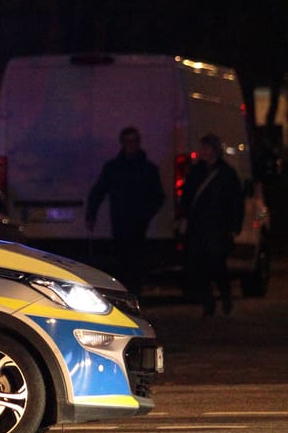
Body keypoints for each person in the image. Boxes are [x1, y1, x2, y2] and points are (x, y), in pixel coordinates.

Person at [85, 126, 164, 296]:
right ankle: (128, 294)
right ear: (123, 143)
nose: (132, 145)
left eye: (135, 141)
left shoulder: (147, 169)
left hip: (137, 223)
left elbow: (158, 196)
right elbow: (98, 191)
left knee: (134, 262)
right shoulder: (114, 168)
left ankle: (134, 294)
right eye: (129, 141)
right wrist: (91, 214)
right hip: (121, 222)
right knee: (123, 261)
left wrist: (145, 215)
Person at [179, 133, 244, 316]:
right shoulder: (196, 172)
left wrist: (234, 226)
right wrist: (184, 217)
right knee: (200, 266)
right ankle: (208, 302)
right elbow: (187, 197)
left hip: (218, 227)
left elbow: (235, 201)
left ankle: (225, 296)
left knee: (217, 265)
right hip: (199, 227)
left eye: (206, 148)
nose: (203, 151)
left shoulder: (226, 174)